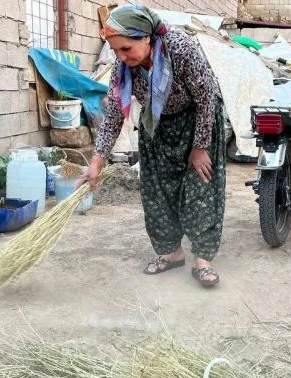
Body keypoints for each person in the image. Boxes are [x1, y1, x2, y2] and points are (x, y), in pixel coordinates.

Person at [78, 5, 226, 288]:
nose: (121, 57)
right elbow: (113, 115)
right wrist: (96, 162)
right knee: (156, 191)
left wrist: (200, 146)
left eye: (126, 48)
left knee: (200, 189)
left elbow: (207, 95)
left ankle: (203, 260)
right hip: (157, 123)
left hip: (198, 119)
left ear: (145, 37)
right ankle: (171, 253)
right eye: (116, 50)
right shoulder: (124, 67)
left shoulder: (180, 48)